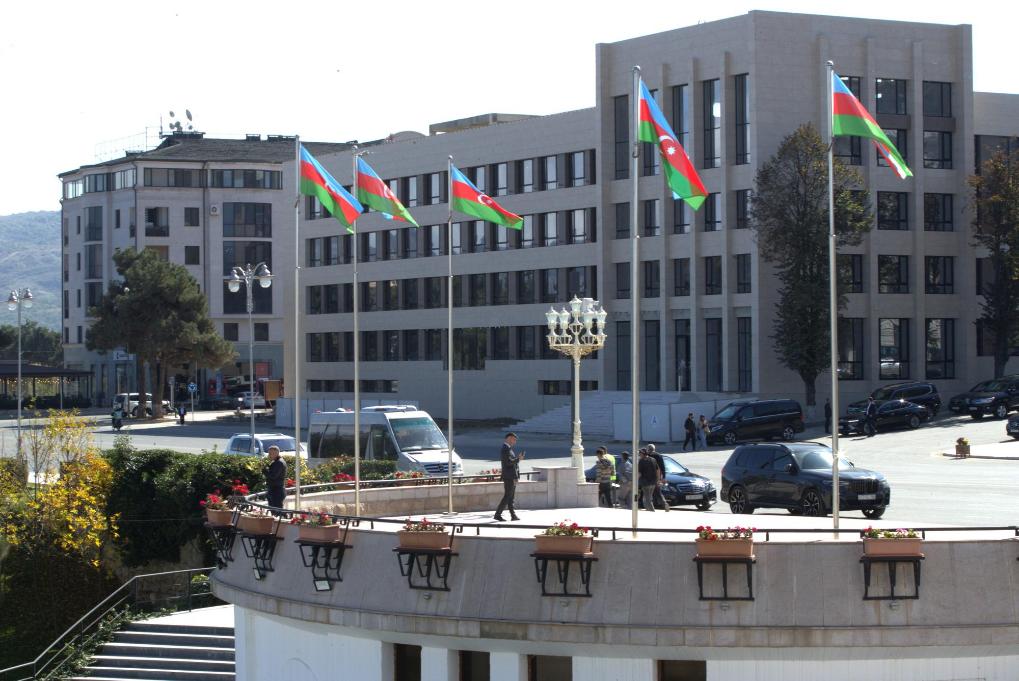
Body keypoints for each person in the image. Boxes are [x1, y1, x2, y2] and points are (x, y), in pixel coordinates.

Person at [494, 432, 524, 521]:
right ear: (509, 438)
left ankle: (513, 515)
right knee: (508, 496)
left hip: (512, 476)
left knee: (511, 497)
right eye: (514, 440)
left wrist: (517, 459)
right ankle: (497, 515)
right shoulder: (505, 449)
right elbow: (508, 462)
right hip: (509, 476)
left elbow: (511, 461)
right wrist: (518, 459)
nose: (515, 442)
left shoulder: (508, 448)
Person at [647, 444, 670, 511]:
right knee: (657, 492)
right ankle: (664, 504)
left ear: (648, 449)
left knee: (648, 493)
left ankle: (650, 507)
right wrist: (663, 477)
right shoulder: (659, 456)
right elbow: (662, 467)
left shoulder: (648, 456)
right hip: (657, 477)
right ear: (654, 449)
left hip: (649, 477)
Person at [264, 445, 287, 511]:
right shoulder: (277, 462)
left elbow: (273, 476)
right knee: (275, 511)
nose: (269, 455)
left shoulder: (279, 462)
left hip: (276, 491)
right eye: (269, 453)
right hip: (275, 490)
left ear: (276, 453)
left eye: (270, 454)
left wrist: (265, 471)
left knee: (277, 512)